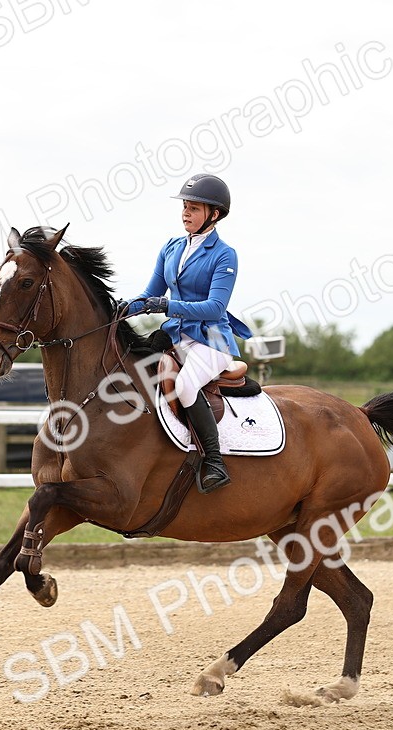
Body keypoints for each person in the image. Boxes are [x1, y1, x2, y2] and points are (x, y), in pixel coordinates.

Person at [126, 173, 252, 494]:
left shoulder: (225, 254)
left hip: (211, 340)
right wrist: (115, 310)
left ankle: (214, 462)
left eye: (194, 208)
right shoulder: (170, 248)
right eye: (185, 206)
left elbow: (213, 307)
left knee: (183, 386)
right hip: (175, 338)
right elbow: (149, 294)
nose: (185, 213)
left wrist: (166, 306)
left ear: (214, 214)